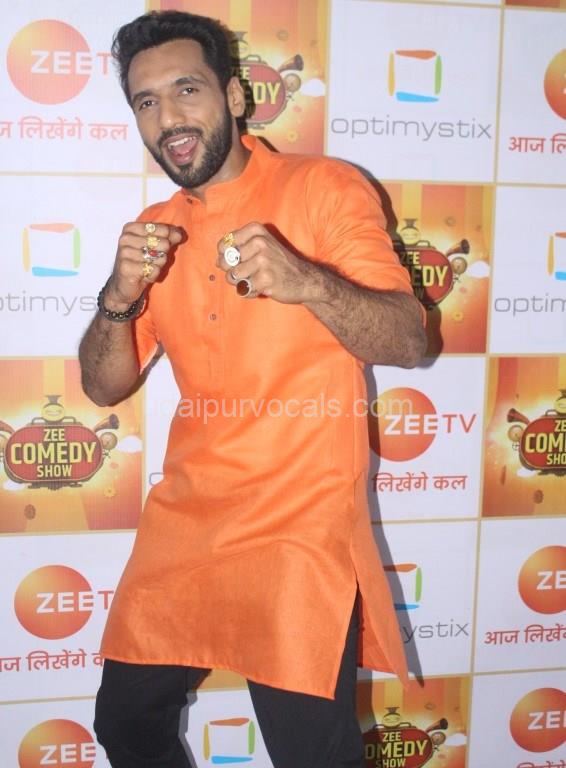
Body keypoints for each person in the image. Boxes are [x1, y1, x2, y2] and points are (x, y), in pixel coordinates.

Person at [78, 10, 426, 768]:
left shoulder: (325, 187)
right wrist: (118, 297)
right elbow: (104, 389)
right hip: (186, 522)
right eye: (146, 102)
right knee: (126, 723)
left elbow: (409, 339)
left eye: (187, 90)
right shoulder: (154, 228)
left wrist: (310, 282)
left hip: (297, 529)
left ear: (235, 97)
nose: (168, 118)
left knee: (313, 756)